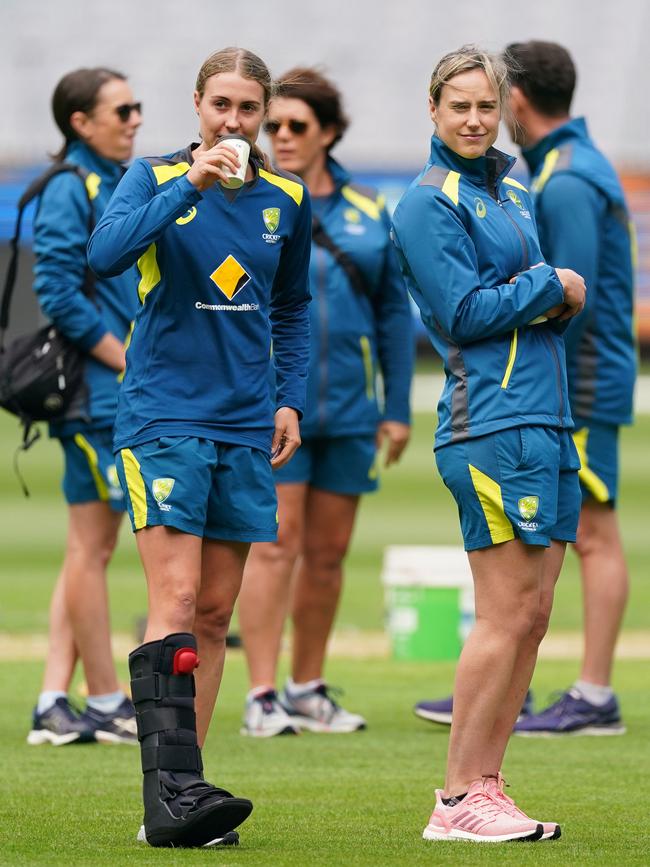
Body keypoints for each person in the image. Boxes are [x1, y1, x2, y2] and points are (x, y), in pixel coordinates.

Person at [87, 47, 311, 848]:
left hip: (246, 422)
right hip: (164, 417)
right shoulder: (152, 179)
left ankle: (190, 789)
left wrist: (290, 397)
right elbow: (104, 255)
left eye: (249, 109)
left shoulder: (287, 196)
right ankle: (168, 793)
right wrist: (193, 182)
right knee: (176, 602)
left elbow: (293, 307)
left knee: (216, 614)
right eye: (222, 105)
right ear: (197, 104)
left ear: (264, 113)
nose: (235, 122)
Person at [391, 45, 586, 842]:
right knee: (504, 615)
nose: (474, 119)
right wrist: (556, 287)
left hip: (544, 415)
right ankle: (455, 797)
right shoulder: (426, 202)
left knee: (533, 616)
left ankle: (487, 783)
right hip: (492, 422)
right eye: (458, 105)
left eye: (486, 105)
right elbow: (464, 312)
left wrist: (551, 297)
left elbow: (518, 296)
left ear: (504, 107)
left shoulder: (509, 184)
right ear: (432, 110)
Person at [237, 68, 413, 737]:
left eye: (295, 126)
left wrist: (395, 406)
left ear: (328, 132)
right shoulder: (250, 202)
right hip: (273, 406)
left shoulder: (371, 212)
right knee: (276, 545)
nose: (279, 136)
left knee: (330, 553)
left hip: (349, 407)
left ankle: (307, 684)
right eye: (272, 124)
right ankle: (260, 692)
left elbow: (395, 316)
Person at [503, 40, 636, 737]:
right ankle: (516, 686)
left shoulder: (567, 179)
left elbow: (569, 293)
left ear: (517, 100)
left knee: (592, 535)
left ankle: (593, 694)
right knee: (575, 532)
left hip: (580, 382)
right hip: (585, 377)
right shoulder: (568, 167)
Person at [27, 68, 142, 748]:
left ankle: (51, 697)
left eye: (137, 108)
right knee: (93, 548)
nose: (133, 119)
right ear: (80, 121)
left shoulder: (103, 180)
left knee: (85, 547)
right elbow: (58, 293)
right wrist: (127, 359)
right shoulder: (74, 185)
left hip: (103, 394)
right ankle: (102, 698)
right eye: (121, 109)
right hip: (96, 395)